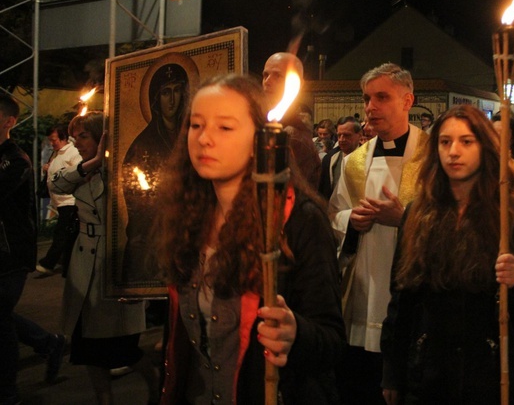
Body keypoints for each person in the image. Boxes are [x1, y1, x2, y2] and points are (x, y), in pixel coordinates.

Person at [158, 74, 345, 404]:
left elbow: (331, 342)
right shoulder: (187, 215)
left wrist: (294, 333)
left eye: (225, 127)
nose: (204, 139)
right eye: (196, 125)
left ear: (259, 139)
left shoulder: (298, 220)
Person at [380, 105, 514, 404]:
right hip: (428, 371)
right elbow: (401, 298)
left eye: (466, 141)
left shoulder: (512, 214)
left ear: (484, 146)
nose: (454, 151)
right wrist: (392, 370)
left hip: (489, 371)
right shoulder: (417, 213)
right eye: (445, 141)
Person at [329, 63, 429, 404]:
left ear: (407, 101)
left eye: (382, 97)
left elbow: (450, 224)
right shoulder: (354, 161)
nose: (370, 106)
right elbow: (333, 215)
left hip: (410, 298)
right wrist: (350, 221)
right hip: (361, 294)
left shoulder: (434, 156)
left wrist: (404, 219)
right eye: (367, 98)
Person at [49, 111, 159, 405]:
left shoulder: (125, 166)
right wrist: (93, 164)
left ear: (101, 136)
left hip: (116, 262)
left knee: (124, 350)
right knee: (87, 348)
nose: (77, 143)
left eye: (83, 136)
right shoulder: (83, 167)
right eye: (74, 137)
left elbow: (146, 207)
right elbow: (56, 185)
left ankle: (156, 387)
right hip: (86, 265)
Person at [122, 62, 189, 282]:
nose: (172, 100)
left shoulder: (193, 137)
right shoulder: (142, 145)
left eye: (177, 91)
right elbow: (137, 199)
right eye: (165, 93)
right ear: (155, 99)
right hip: (155, 234)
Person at [0, 93, 39, 404]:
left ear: (9, 122)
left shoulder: (15, 159)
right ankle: (48, 343)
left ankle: (8, 390)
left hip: (11, 253)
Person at [262, 52, 321, 189]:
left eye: (277, 76)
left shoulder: (293, 139)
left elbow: (277, 194)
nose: (267, 81)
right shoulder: (265, 124)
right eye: (265, 75)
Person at [36, 124, 81, 276]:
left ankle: (48, 263)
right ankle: (66, 263)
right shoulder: (57, 153)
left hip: (70, 201)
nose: (51, 143)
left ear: (63, 138)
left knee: (61, 233)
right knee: (67, 234)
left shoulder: (73, 152)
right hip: (60, 202)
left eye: (54, 140)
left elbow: (77, 172)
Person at [319, 116, 362, 200]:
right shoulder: (329, 159)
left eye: (347, 135)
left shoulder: (370, 156)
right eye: (339, 135)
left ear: (360, 135)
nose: (342, 139)